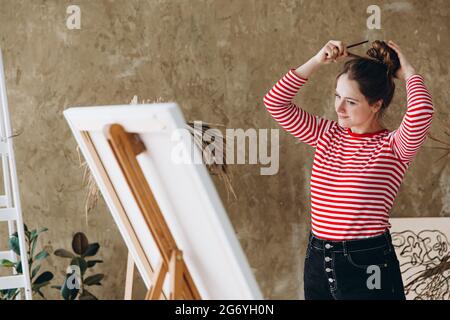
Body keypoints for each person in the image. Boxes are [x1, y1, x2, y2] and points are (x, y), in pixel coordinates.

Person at [263, 40, 435, 300]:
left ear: (376, 104)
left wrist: (408, 72)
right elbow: (275, 102)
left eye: (351, 102)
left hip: (367, 263)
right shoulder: (327, 134)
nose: (339, 108)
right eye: (337, 96)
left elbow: (422, 112)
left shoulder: (394, 147)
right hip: (318, 259)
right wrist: (317, 59)